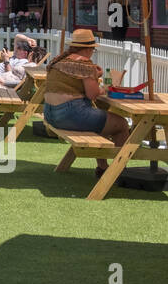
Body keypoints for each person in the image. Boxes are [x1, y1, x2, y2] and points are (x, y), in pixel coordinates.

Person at [41, 28, 130, 175]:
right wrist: (106, 88)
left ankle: (102, 167)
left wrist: (95, 74)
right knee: (121, 124)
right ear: (88, 49)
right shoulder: (85, 64)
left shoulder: (59, 61)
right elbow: (93, 94)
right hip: (70, 114)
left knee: (102, 120)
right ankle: (118, 171)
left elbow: (76, 81)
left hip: (50, 114)